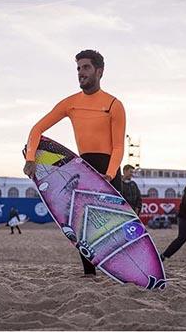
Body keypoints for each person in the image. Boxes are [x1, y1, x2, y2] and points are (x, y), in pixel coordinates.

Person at [23, 49, 126, 276]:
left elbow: (118, 146)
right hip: (82, 168)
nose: (81, 72)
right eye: (78, 68)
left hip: (109, 168)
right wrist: (31, 158)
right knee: (81, 224)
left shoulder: (113, 105)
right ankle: (90, 274)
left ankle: (121, 270)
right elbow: (37, 129)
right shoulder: (70, 103)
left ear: (99, 71)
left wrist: (108, 175)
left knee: (110, 224)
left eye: (86, 67)